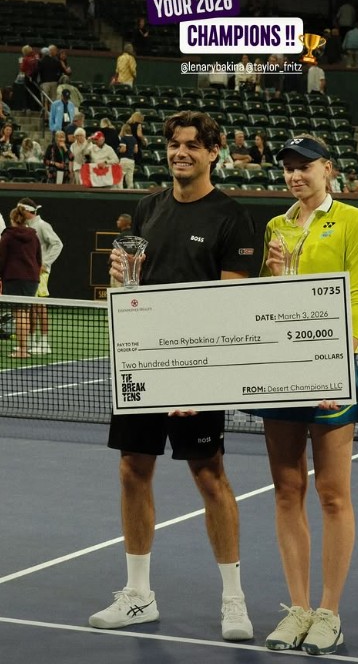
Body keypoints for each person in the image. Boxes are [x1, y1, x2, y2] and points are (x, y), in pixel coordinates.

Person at [89, 110, 255, 641]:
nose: (180, 152)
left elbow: (232, 304)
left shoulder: (231, 217)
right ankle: (138, 595)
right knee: (132, 470)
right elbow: (132, 288)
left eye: (192, 145)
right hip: (143, 364)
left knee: (210, 476)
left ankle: (234, 601)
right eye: (174, 144)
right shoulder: (148, 207)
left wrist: (198, 377)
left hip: (197, 369)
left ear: (213, 152)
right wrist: (121, 280)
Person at [256, 135, 358, 655]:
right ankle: (298, 609)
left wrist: (336, 365)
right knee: (287, 490)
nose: (294, 175)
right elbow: (264, 300)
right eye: (288, 167)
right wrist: (274, 274)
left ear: (328, 168)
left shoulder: (352, 221)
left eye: (304, 166)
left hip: (331, 366)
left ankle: (329, 613)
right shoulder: (276, 226)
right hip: (283, 371)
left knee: (332, 494)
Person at [16, 198, 63, 355]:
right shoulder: (26, 226)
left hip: (40, 272)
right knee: (30, 306)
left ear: (27, 211)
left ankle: (44, 343)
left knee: (39, 306)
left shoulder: (42, 225)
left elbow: (58, 244)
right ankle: (31, 340)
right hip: (29, 271)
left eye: (20, 210)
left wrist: (46, 263)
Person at [0, 205, 42, 358]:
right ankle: (23, 347)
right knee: (24, 312)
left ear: (12, 219)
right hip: (32, 280)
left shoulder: (8, 236)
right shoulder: (34, 236)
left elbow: (1, 258)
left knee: (19, 313)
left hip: (14, 278)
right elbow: (39, 259)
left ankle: (23, 350)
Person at [118, 123, 138, 188]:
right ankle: (130, 190)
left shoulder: (123, 138)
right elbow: (136, 150)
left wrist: (118, 150)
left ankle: (120, 191)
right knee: (130, 178)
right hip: (131, 160)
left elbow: (123, 149)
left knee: (120, 177)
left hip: (124, 159)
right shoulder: (134, 139)